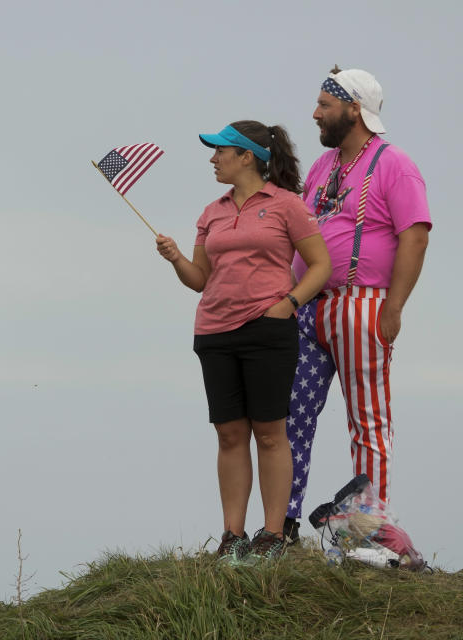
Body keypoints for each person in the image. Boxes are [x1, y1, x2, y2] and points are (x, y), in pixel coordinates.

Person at [156, 121, 331, 564]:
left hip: (268, 330)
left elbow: (320, 266)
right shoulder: (210, 212)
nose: (213, 159)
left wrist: (289, 303)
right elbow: (200, 280)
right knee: (230, 433)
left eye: (221, 151)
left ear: (246, 156)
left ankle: (271, 535)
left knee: (270, 434)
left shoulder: (287, 205)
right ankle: (232, 536)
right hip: (214, 333)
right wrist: (177, 258)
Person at [283, 67, 432, 539]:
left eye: (324, 105)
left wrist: (394, 307)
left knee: (367, 419)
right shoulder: (323, 167)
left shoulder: (395, 164)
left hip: (361, 303)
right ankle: (281, 525)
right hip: (310, 307)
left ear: (354, 109)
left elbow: (415, 236)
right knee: (289, 415)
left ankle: (370, 529)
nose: (315, 113)